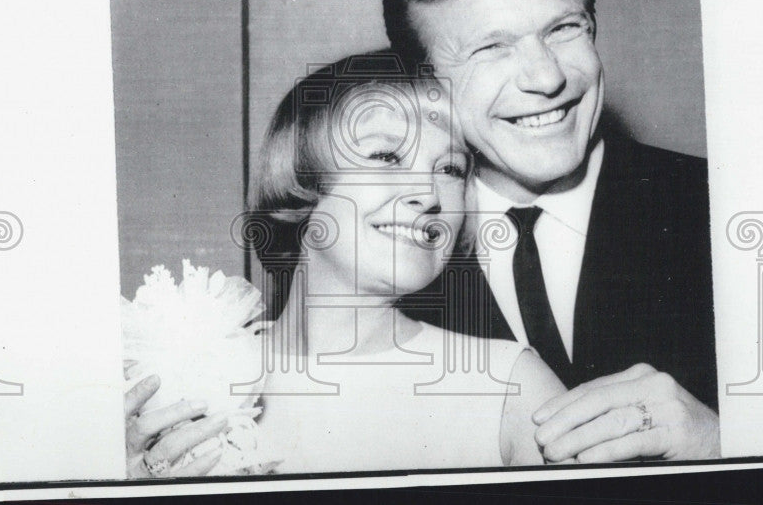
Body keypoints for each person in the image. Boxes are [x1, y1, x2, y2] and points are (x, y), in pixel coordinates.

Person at [386, 0, 720, 462]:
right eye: (491, 47)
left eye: (564, 28)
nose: (547, 77)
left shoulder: (722, 208)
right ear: (422, 82)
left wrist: (726, 444)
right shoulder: (380, 257)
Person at [126, 53, 565, 475]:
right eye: (386, 157)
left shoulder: (512, 387)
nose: (429, 195)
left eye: (449, 169)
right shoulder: (175, 374)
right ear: (303, 177)